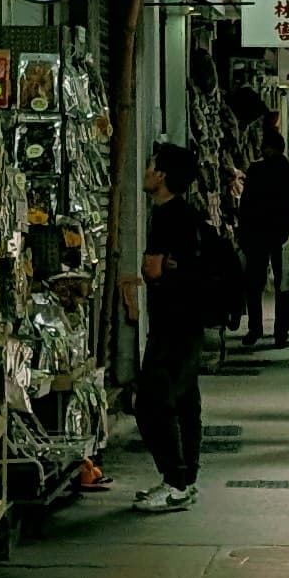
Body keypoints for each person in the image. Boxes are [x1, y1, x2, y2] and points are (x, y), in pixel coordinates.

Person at [121, 141, 208, 516]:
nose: (146, 170)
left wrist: (152, 270)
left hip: (173, 324)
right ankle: (184, 479)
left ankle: (175, 481)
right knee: (185, 402)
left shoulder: (168, 216)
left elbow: (151, 269)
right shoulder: (186, 214)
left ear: (162, 176)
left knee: (153, 404)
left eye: (151, 164)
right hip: (187, 322)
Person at [236, 121, 289, 349]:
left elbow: (245, 205)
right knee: (283, 285)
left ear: (267, 148)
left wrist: (242, 233)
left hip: (257, 234)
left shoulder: (256, 170)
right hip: (283, 234)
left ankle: (255, 328)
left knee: (255, 284)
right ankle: (280, 333)